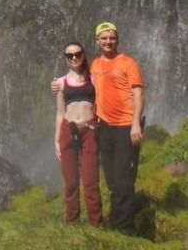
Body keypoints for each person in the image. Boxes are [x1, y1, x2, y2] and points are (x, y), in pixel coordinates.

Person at [52, 21, 145, 233]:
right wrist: (56, 138)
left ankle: (113, 227)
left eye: (111, 37)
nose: (108, 41)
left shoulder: (123, 64)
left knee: (110, 181)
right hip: (93, 129)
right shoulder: (87, 70)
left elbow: (139, 94)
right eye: (104, 38)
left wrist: (136, 124)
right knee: (99, 181)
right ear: (97, 41)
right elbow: (61, 106)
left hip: (114, 128)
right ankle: (76, 224)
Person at [54, 41, 103, 227]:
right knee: (71, 182)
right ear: (66, 59)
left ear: (83, 54)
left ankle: (97, 225)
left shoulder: (94, 79)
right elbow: (60, 113)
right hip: (68, 130)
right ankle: (72, 224)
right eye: (69, 56)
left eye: (77, 54)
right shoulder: (61, 83)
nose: (74, 58)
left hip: (90, 130)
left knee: (91, 181)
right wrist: (56, 139)